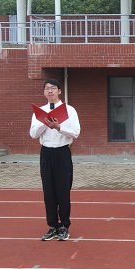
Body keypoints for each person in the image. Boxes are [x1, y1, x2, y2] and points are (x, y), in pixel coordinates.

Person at [30, 79, 81, 241]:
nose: (50, 91)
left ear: (59, 91)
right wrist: (44, 123)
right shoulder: (39, 112)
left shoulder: (69, 110)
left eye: (53, 88)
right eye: (47, 88)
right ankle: (53, 226)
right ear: (44, 92)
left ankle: (64, 225)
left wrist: (60, 128)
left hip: (62, 152)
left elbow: (76, 132)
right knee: (49, 190)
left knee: (63, 190)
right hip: (46, 153)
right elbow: (33, 134)